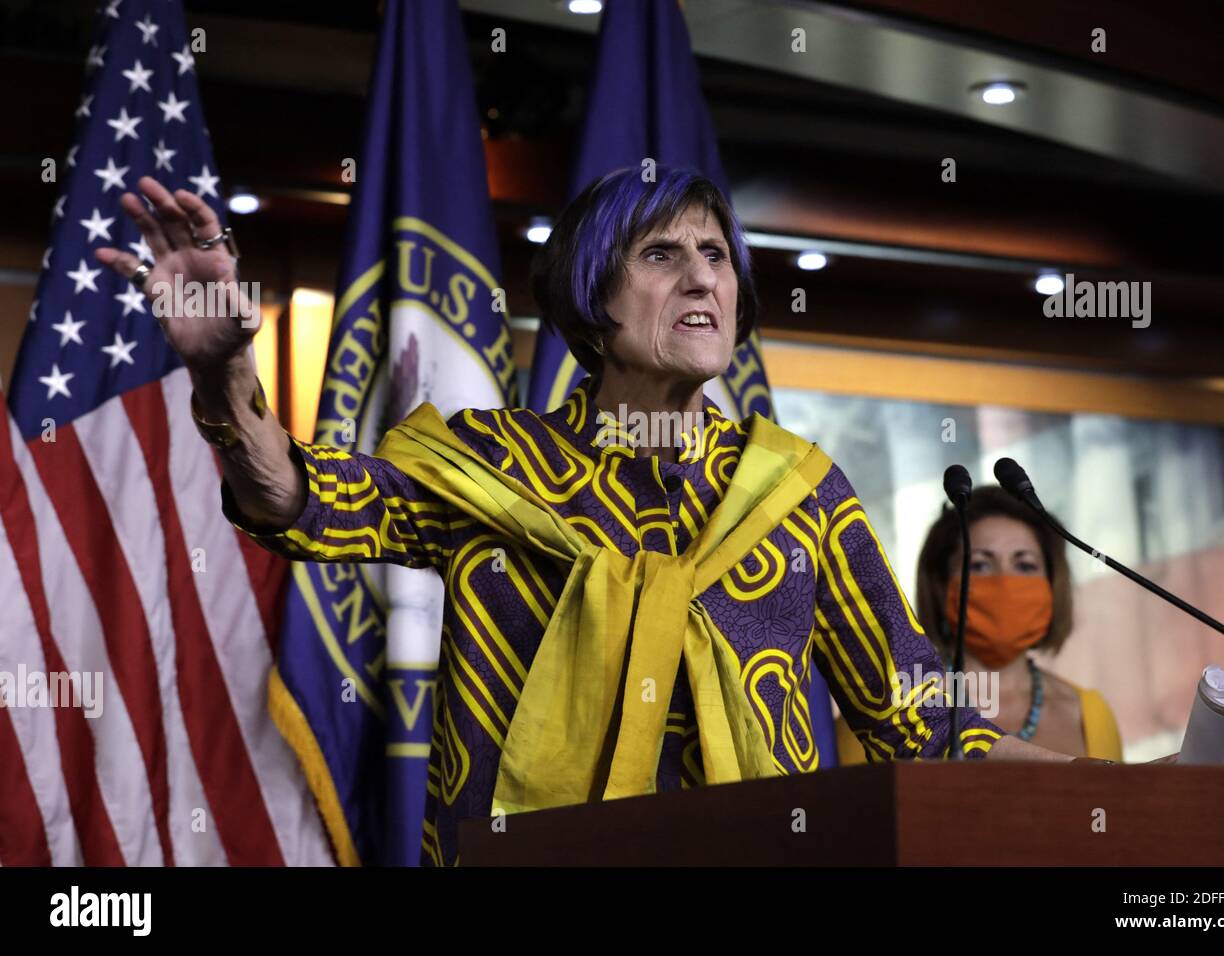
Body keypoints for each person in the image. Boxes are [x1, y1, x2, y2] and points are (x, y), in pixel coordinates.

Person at [97, 167, 1086, 867]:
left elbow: (918, 714)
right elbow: (294, 497)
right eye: (664, 254)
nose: (704, 275)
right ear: (591, 295)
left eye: (716, 254)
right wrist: (223, 369)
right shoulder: (490, 464)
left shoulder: (797, 491)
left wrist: (1108, 792)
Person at [838, 486, 1121, 764]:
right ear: (941, 585)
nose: (1004, 581)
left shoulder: (1089, 713)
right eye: (980, 565)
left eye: (1025, 566)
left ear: (1053, 585)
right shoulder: (887, 712)